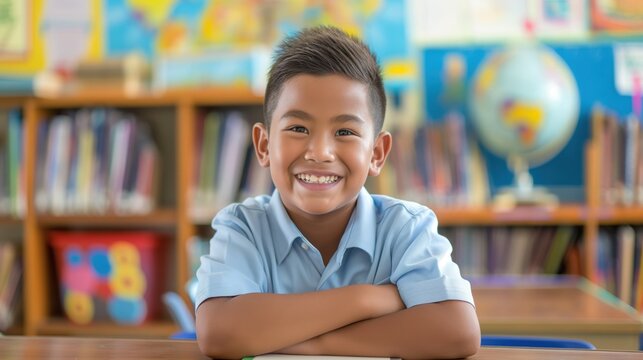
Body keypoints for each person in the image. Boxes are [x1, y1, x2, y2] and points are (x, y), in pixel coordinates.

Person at [195, 26, 480, 359]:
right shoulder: (242, 226)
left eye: (345, 131)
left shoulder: (406, 227)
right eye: (298, 128)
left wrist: (312, 344)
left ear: (377, 154)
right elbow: (220, 333)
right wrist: (367, 299)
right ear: (263, 145)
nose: (320, 152)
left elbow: (456, 332)